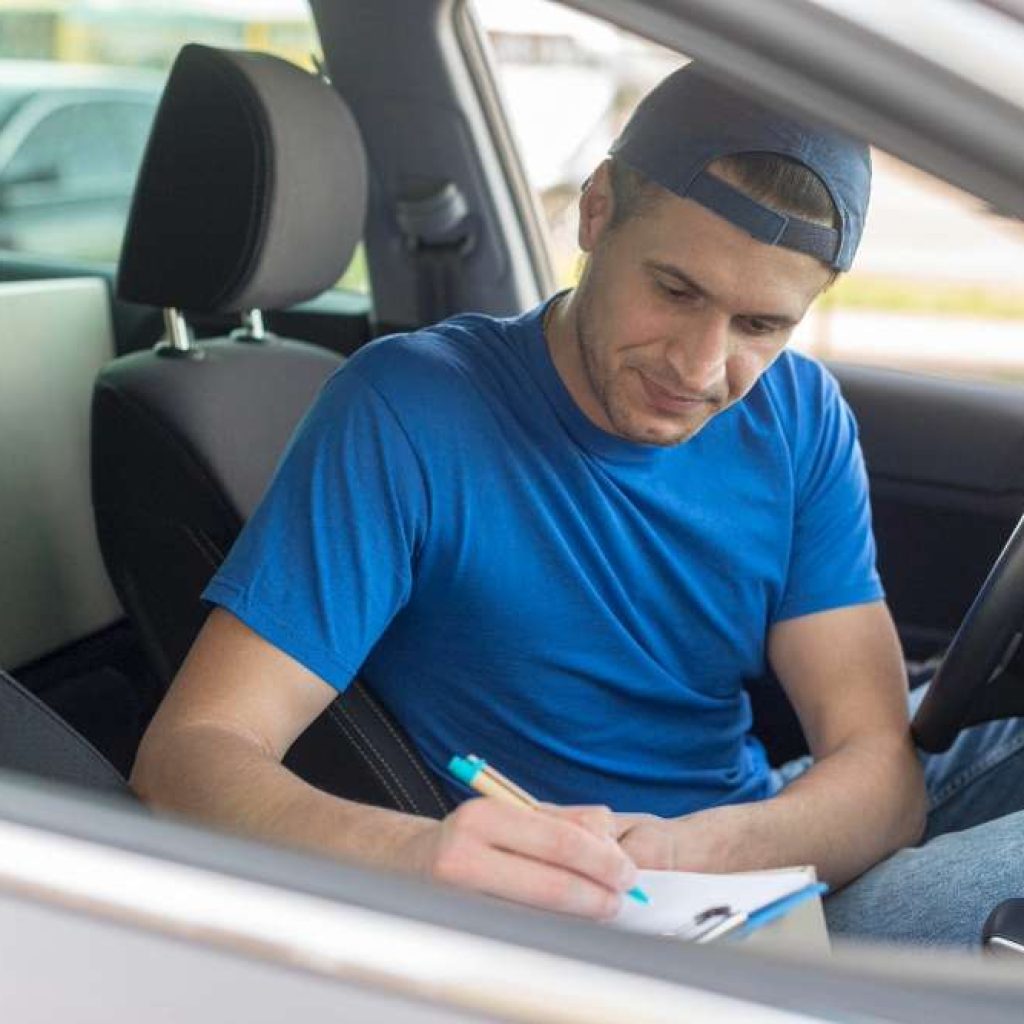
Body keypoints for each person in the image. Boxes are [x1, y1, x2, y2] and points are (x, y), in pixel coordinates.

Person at [131, 64, 1024, 947]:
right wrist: (421, 859)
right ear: (597, 210)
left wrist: (702, 851)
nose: (700, 367)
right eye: (676, 291)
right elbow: (190, 754)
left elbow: (879, 772)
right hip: (619, 930)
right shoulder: (408, 411)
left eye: (761, 326)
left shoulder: (798, 414)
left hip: (746, 861)